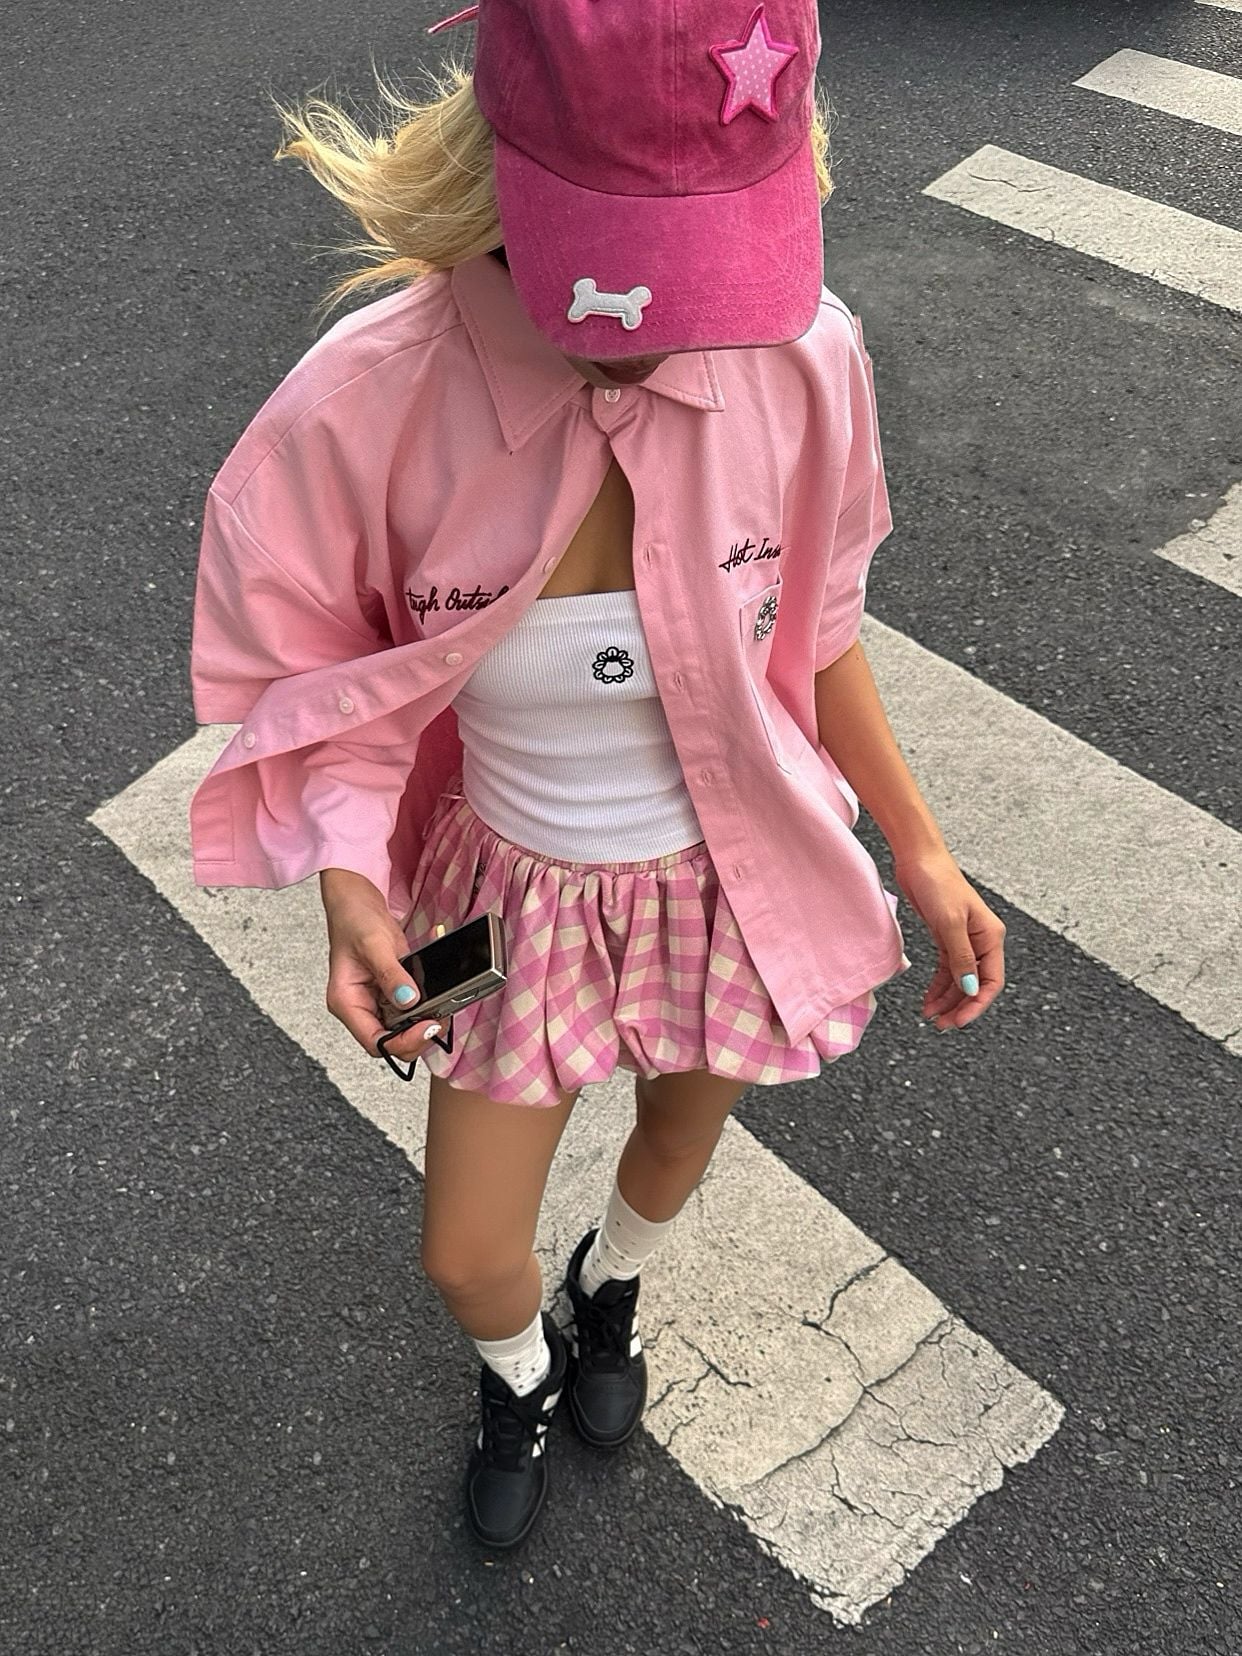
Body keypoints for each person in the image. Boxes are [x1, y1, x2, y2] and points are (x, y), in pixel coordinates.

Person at [187, 0, 1006, 1551]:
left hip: (726, 878)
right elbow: (326, 678)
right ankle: (519, 1369)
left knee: (678, 1142)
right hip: (495, 891)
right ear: (505, 169)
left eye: (707, 259)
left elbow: (819, 625)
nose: (668, 322)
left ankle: (611, 1286)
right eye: (625, 259)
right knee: (462, 1249)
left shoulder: (803, 354)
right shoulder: (371, 398)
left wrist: (919, 845)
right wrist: (349, 881)